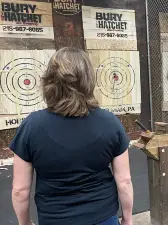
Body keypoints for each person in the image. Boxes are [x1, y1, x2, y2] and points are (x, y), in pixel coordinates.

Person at [10, 47, 133, 225]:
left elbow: (20, 190)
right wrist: (127, 219)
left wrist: (24, 223)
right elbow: (124, 181)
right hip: (103, 217)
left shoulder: (31, 126)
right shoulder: (110, 123)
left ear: (51, 80)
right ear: (88, 80)